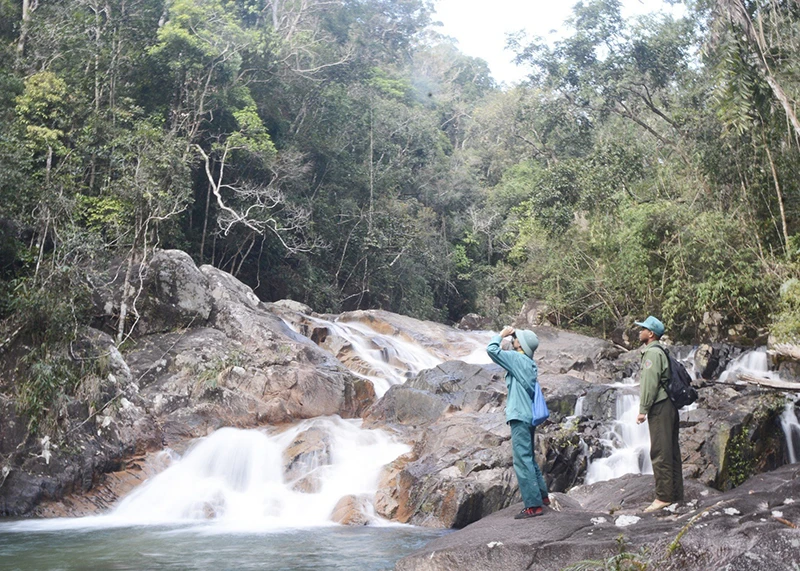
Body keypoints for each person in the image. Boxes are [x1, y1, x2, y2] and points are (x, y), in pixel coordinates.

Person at [487, 325, 550, 519]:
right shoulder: (529, 363)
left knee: (522, 460)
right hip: (528, 416)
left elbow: (492, 350)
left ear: (521, 345)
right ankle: (542, 496)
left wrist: (501, 335)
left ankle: (533, 506)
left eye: (516, 338)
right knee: (528, 457)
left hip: (519, 416)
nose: (513, 339)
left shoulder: (517, 359)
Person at [634, 315, 684, 513]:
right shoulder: (662, 350)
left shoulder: (652, 354)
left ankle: (663, 497)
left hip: (660, 406)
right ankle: (676, 493)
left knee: (660, 451)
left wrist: (643, 410)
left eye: (643, 329)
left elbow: (650, 384)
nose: (640, 331)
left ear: (651, 334)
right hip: (670, 405)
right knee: (671, 450)